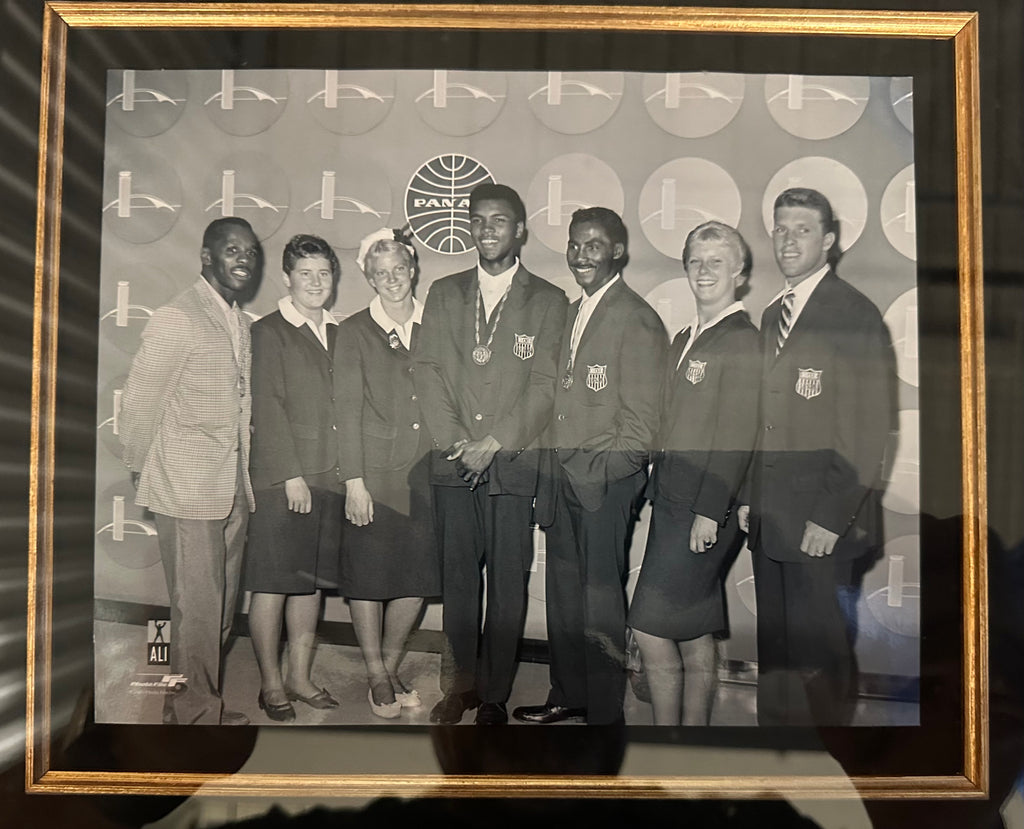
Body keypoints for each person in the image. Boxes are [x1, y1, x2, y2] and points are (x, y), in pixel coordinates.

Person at [739, 187, 896, 726]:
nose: (787, 239)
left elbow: (868, 430)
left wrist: (829, 518)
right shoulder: (770, 315)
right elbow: (765, 417)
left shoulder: (853, 314)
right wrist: (746, 494)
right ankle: (775, 764)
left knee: (820, 658)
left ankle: (828, 774)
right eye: (780, 228)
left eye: (802, 229)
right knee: (778, 653)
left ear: (829, 241)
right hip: (771, 517)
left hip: (820, 524)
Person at [413, 183, 568, 725]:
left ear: (520, 230)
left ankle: (496, 695)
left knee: (506, 584)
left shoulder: (549, 301)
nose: (486, 230)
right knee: (459, 583)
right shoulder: (443, 292)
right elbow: (427, 370)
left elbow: (547, 384)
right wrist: (459, 443)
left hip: (511, 464)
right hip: (454, 461)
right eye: (477, 220)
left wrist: (494, 442)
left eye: (499, 221)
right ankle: (457, 688)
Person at [513, 207, 667, 726]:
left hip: (602, 487)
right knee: (562, 597)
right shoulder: (571, 310)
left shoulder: (639, 319)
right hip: (561, 482)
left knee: (600, 605)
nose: (581, 255)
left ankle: (603, 715)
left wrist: (601, 478)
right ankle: (568, 695)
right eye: (575, 245)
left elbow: (642, 431)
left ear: (618, 252)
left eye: (594, 246)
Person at [119, 216, 261, 725]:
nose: (243, 258)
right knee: (198, 607)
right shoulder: (177, 316)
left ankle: (188, 704)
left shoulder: (239, 321)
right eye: (231, 249)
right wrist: (142, 472)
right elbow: (139, 403)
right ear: (206, 256)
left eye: (250, 250)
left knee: (218, 610)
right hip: (187, 486)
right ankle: (196, 718)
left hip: (233, 487)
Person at [627, 221, 760, 725]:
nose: (703, 271)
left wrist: (711, 511)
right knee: (694, 628)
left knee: (651, 628)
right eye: (695, 261)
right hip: (676, 499)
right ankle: (695, 741)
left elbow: (736, 433)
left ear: (739, 272)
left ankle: (667, 745)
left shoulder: (742, 341)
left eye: (716, 261)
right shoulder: (687, 335)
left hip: (705, 507)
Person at [334, 228, 441, 719]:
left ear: (413, 268)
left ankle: (390, 665)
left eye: (399, 269)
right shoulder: (355, 331)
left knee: (416, 578)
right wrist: (353, 481)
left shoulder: (438, 323)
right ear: (369, 279)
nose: (392, 279)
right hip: (374, 474)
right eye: (381, 273)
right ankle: (377, 673)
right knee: (368, 578)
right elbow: (346, 410)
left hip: (427, 474)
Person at [244, 234, 343, 722]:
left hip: (327, 476)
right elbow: (269, 408)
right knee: (273, 583)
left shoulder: (337, 331)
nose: (316, 282)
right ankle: (270, 684)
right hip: (284, 478)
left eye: (324, 272)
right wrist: (291, 476)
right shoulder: (268, 332)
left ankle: (300, 678)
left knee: (310, 584)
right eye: (306, 273)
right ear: (287, 278)